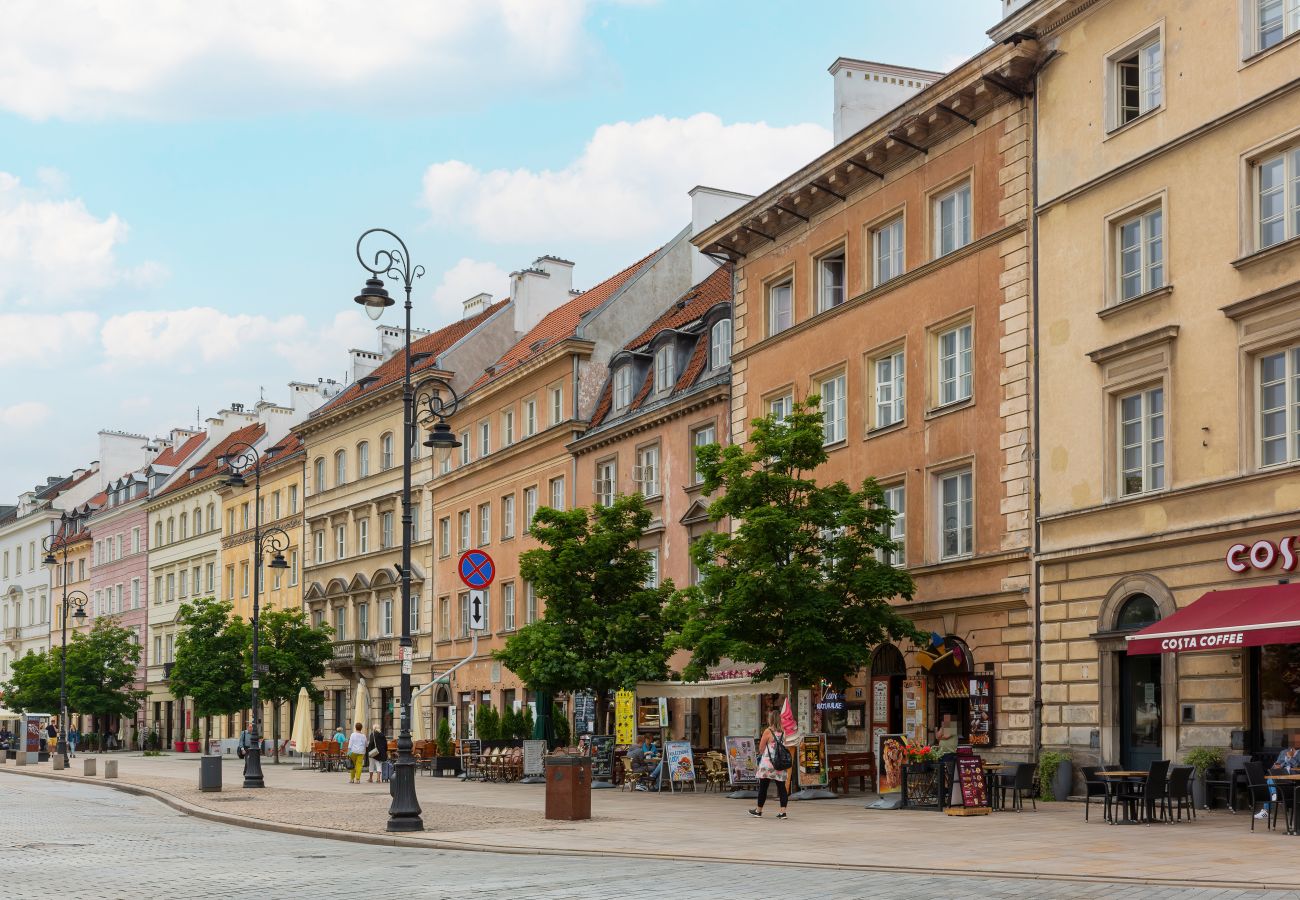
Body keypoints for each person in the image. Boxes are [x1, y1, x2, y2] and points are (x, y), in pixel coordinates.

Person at [749, 711, 789, 819]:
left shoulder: (768, 731)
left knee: (763, 787)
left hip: (767, 764)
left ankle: (759, 811)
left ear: (771, 719)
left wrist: (760, 754)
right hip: (779, 764)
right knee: (782, 788)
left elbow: (761, 749)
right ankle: (782, 812)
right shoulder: (783, 732)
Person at [1259, 733, 1300, 820]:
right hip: (1280, 776)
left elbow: (1297, 766)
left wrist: (1290, 758)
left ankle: (1268, 807)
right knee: (1271, 778)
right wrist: (1277, 766)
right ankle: (1274, 796)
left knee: (1270, 780)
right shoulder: (1283, 752)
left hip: (1292, 779)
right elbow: (1274, 766)